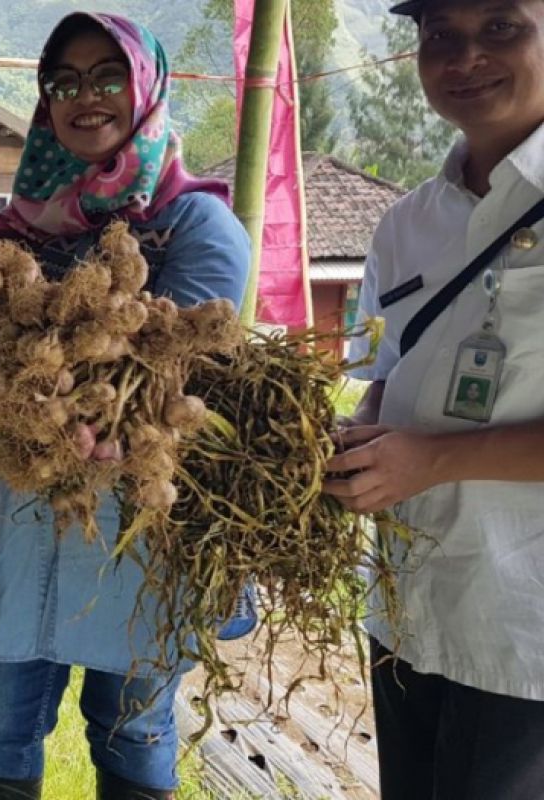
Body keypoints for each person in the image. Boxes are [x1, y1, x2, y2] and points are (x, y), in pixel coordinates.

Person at [0, 13, 250, 800]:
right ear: (45, 102)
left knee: (133, 728)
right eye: (64, 83)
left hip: (142, 525)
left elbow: (179, 375)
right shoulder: (13, 234)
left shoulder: (197, 224)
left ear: (146, 87)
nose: (85, 98)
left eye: (107, 77)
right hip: (26, 508)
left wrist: (92, 408)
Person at [326, 1, 544, 797]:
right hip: (405, 617)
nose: (465, 58)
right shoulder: (405, 225)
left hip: (523, 635)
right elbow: (390, 373)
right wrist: (352, 442)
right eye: (439, 36)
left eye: (501, 27)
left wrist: (434, 459)